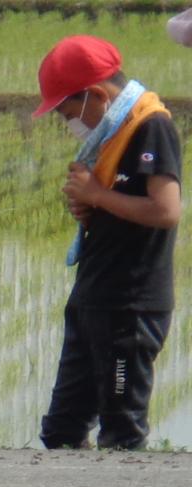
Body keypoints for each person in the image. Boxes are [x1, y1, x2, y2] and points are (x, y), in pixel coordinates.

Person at [34, 35, 181, 450]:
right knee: (61, 430)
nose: (69, 123)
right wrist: (91, 208)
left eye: (67, 112)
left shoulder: (151, 127)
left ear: (96, 94)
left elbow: (165, 211)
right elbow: (123, 202)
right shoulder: (109, 140)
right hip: (93, 297)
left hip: (129, 306)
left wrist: (97, 196)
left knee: (121, 431)